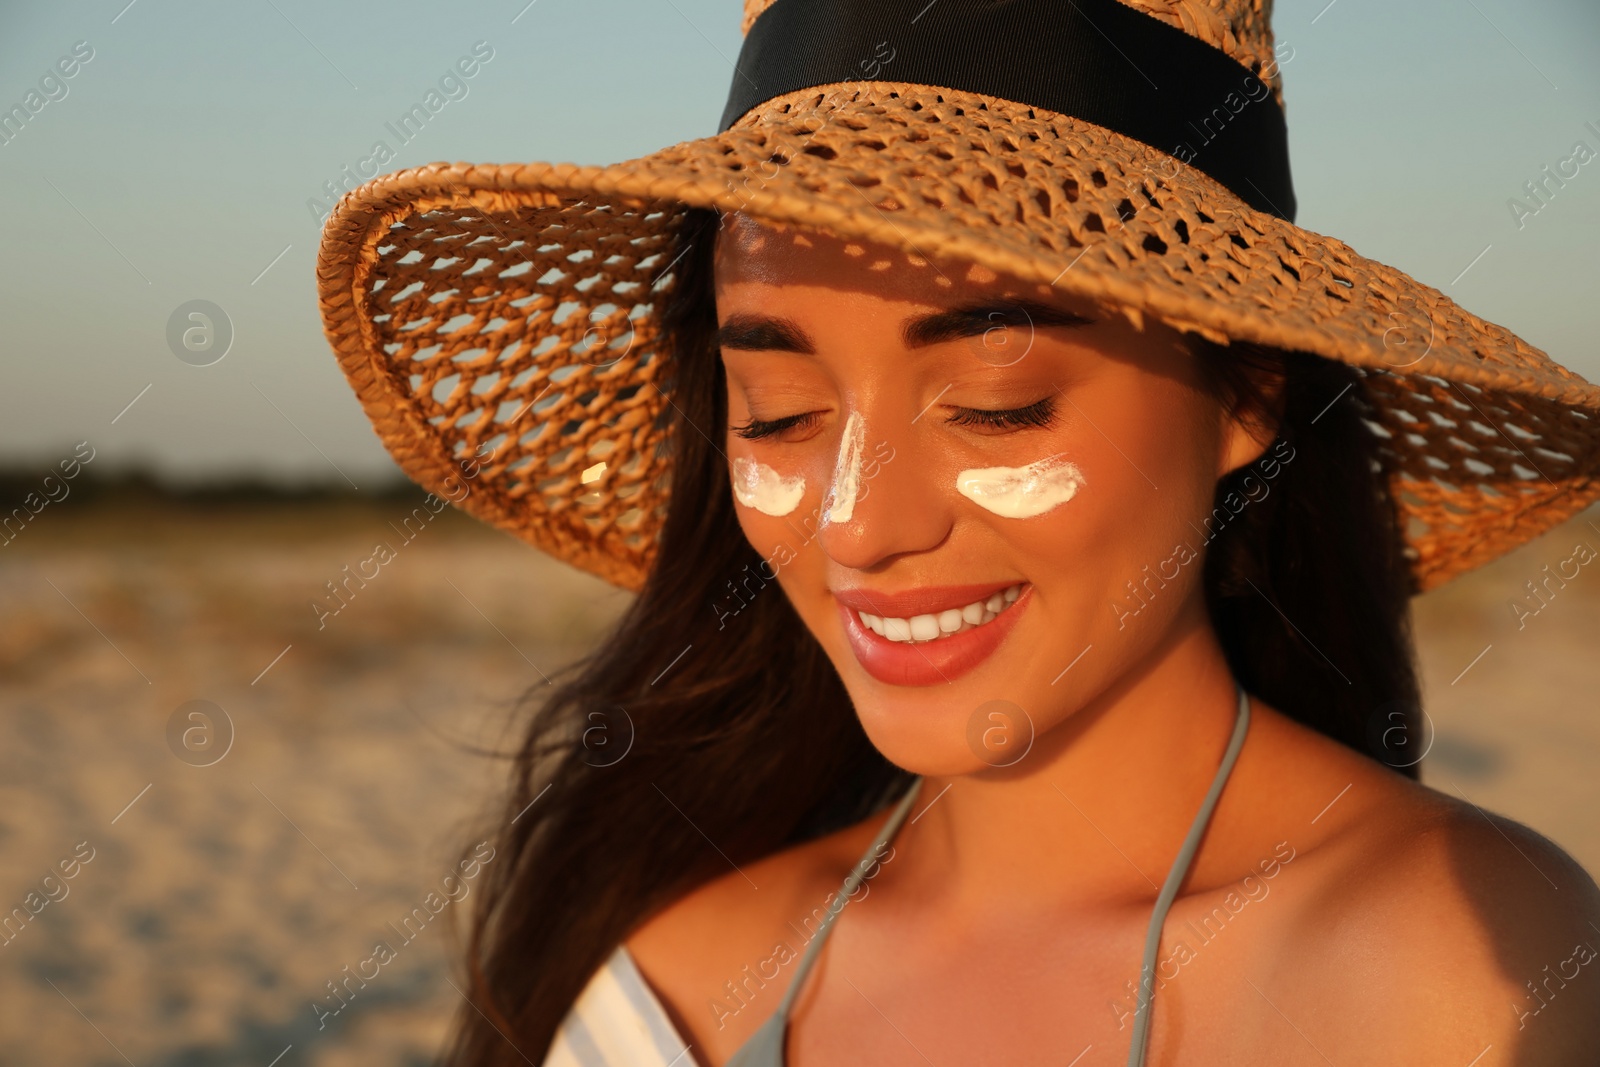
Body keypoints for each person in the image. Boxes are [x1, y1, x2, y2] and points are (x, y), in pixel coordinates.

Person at [313, 1, 1600, 1063]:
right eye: (780, 410)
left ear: (1247, 393)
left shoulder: (1463, 972)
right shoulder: (669, 992)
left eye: (998, 405)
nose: (857, 523)